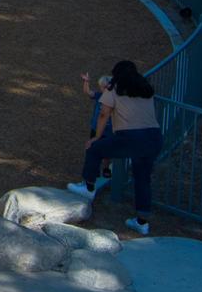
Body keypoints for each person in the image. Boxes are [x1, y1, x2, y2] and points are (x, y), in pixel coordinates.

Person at [68, 60, 162, 235]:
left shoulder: (114, 89)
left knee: (94, 148)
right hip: (154, 137)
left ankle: (88, 186)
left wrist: (96, 137)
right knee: (143, 178)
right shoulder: (145, 88)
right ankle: (142, 221)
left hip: (131, 137)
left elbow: (104, 114)